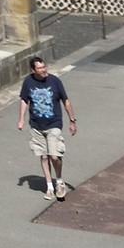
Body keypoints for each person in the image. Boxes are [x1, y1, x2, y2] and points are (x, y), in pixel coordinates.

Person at [18, 55, 77, 201]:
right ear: (33, 70)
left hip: (54, 124)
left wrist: (72, 120)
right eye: (40, 68)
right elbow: (24, 100)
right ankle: (50, 187)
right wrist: (21, 119)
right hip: (36, 126)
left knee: (55, 156)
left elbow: (65, 100)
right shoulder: (28, 82)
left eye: (44, 66)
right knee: (44, 156)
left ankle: (60, 182)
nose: (44, 70)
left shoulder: (54, 81)